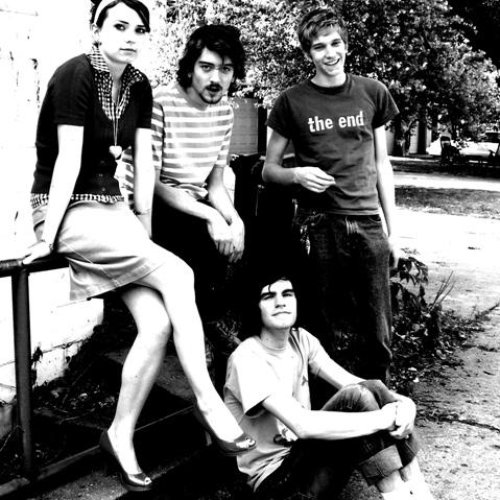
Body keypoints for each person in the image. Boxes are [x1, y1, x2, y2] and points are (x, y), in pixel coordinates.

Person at [22, 0, 254, 492]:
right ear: (97, 29)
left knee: (157, 324)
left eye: (139, 29)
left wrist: (142, 231)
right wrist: (47, 235)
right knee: (180, 274)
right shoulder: (74, 75)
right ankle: (208, 401)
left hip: (113, 212)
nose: (130, 36)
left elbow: (144, 169)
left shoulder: (138, 84)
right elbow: (66, 162)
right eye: (119, 26)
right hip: (64, 208)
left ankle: (119, 434)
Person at [262, 8, 400, 382]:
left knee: (378, 330)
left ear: (346, 45)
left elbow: (382, 164)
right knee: (323, 327)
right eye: (319, 46)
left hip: (368, 222)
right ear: (308, 53)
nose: (330, 53)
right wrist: (297, 174)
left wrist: (393, 233)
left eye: (335, 43)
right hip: (318, 225)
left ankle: (379, 405)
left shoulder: (373, 92)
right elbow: (269, 170)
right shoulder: (291, 101)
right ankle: (326, 407)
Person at [224, 272, 435, 500]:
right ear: (255, 306)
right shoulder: (247, 358)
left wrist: (405, 405)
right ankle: (399, 496)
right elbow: (302, 425)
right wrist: (384, 419)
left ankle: (419, 492)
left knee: (370, 388)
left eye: (287, 294)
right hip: (273, 487)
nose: (280, 302)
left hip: (306, 468)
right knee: (356, 398)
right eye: (268, 296)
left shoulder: (301, 340)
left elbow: (358, 383)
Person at [149, 24, 247, 359]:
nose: (216, 79)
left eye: (226, 69)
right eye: (207, 67)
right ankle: (193, 330)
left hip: (195, 200)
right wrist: (210, 216)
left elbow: (216, 185)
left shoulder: (224, 112)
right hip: (155, 205)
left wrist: (235, 220)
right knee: (198, 235)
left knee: (258, 237)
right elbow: (154, 183)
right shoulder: (161, 101)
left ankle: (224, 325)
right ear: (190, 68)